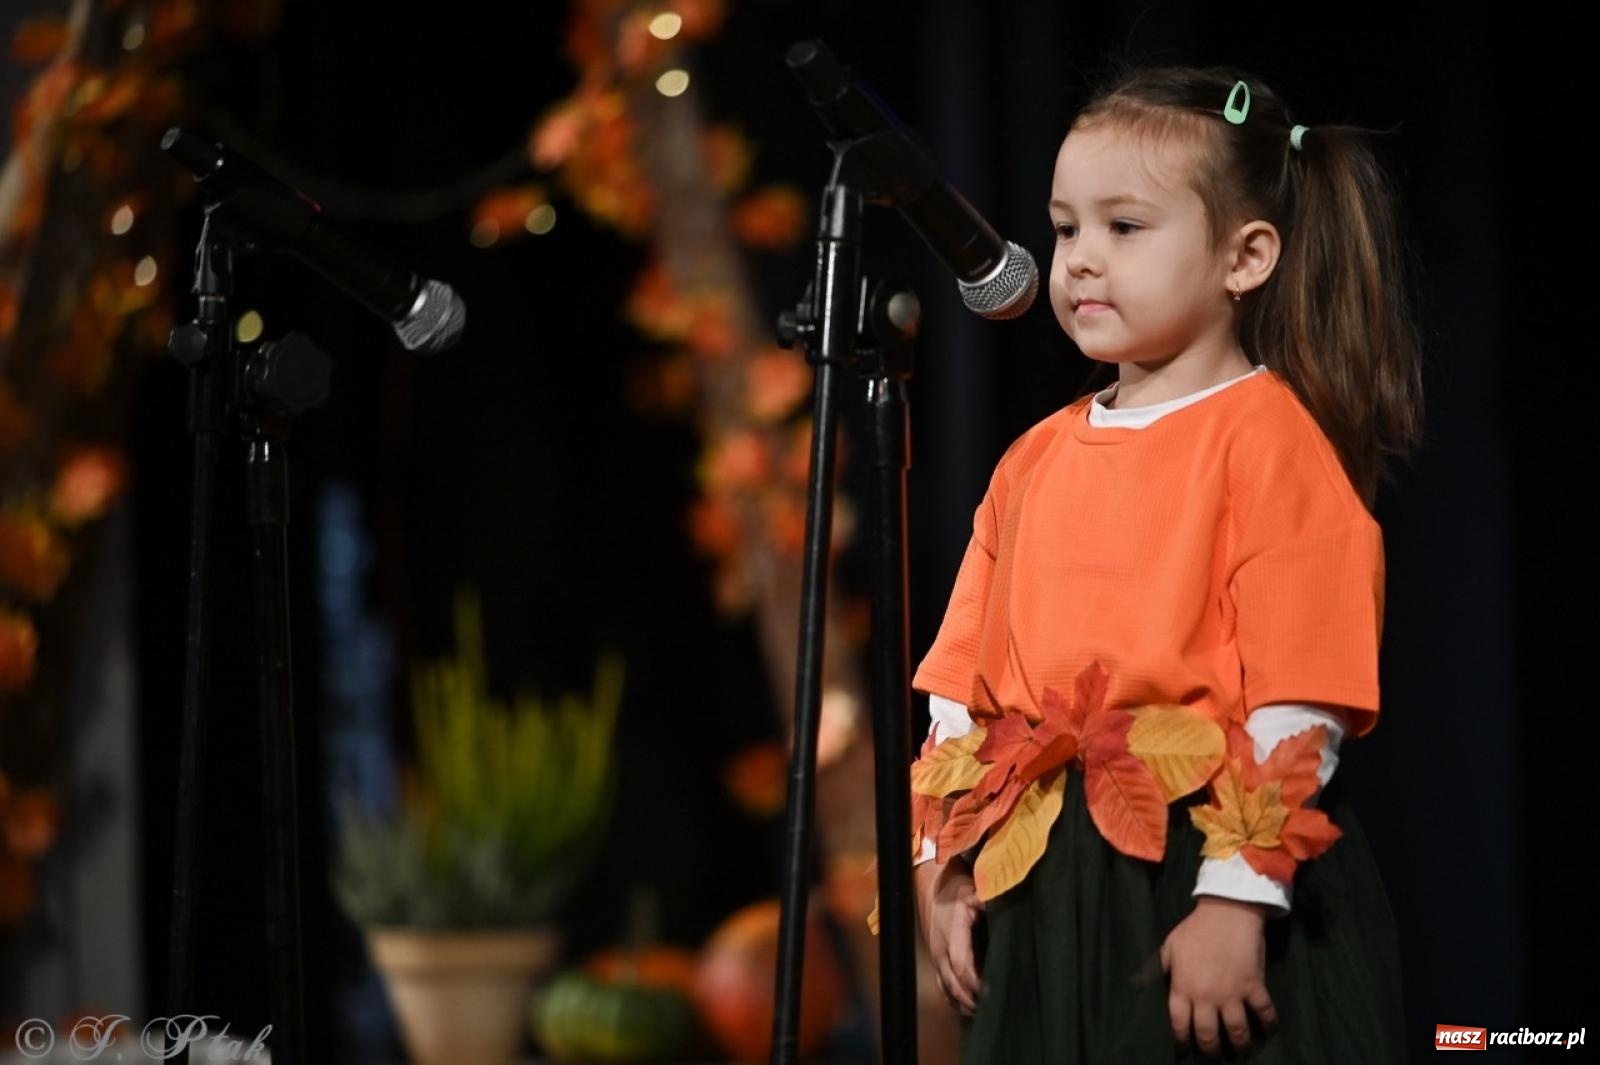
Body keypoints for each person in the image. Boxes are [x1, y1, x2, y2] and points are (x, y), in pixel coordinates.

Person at [909, 64, 1423, 1064]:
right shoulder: (1033, 459)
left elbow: (1298, 696)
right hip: (1046, 888)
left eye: (1124, 227)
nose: (1081, 262)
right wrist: (944, 862)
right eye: (1064, 230)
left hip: (1205, 870)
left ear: (1245, 257)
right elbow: (957, 691)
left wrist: (1237, 899)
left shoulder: (1270, 445)